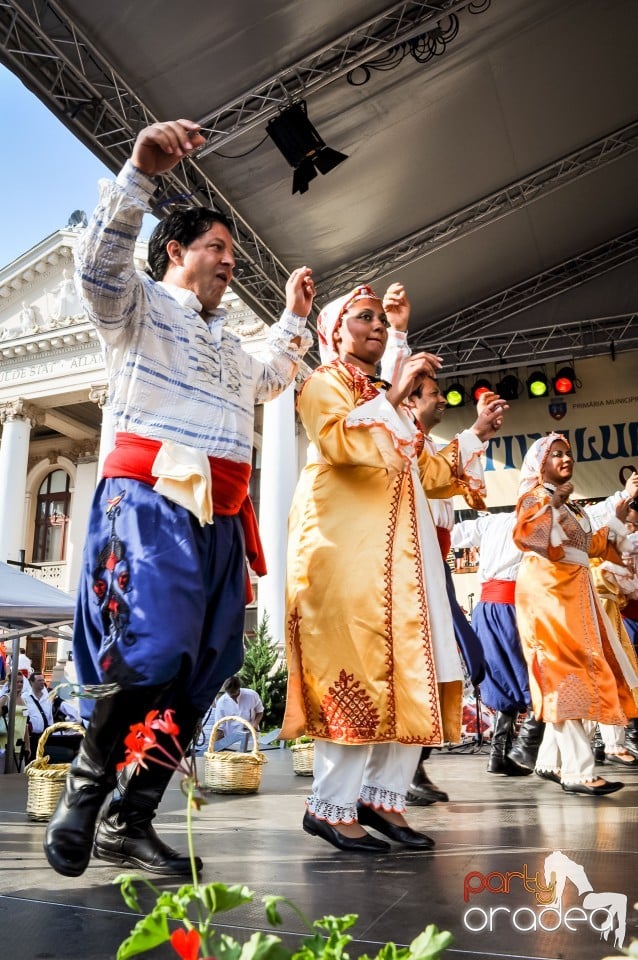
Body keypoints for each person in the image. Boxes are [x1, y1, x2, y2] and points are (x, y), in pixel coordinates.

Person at [44, 118, 315, 879]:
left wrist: (294, 317)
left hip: (223, 517)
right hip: (151, 500)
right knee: (154, 650)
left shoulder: (231, 343)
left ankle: (130, 818)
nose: (230, 262)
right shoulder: (137, 309)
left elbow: (269, 380)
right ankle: (86, 788)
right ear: (176, 251)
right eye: (216, 249)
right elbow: (97, 271)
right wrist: (138, 173)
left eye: (232, 253)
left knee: (206, 669)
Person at [281, 282, 502, 853]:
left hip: (406, 557)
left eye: (382, 320)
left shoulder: (386, 394)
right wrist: (396, 394)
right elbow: (338, 442)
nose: (376, 326)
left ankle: (385, 798)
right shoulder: (321, 382)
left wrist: (474, 435)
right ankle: (328, 806)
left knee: (415, 669)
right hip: (345, 551)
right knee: (353, 668)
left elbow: (429, 472)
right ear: (334, 331)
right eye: (364, 317)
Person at [513, 433, 638, 795]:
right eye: (556, 455)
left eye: (568, 453)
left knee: (575, 675)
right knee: (565, 675)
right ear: (541, 464)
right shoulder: (536, 497)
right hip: (548, 595)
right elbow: (528, 536)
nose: (566, 459)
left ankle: (550, 762)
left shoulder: (573, 507)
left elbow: (592, 544)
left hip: (574, 594)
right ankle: (579, 772)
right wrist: (551, 501)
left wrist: (619, 514)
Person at [401, 375, 506, 801]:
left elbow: (450, 479)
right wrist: (477, 430)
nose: (444, 399)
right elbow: (434, 479)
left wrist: (478, 433)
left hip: (433, 565)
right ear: (410, 400)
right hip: (410, 566)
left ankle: (415, 764)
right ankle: (404, 769)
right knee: (423, 663)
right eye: (434, 394)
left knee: (445, 661)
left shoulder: (425, 446)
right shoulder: (402, 441)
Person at [451, 511, 539, 775]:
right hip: (512, 608)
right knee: (536, 680)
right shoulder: (539, 522)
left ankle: (498, 755)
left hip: (485, 609)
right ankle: (525, 748)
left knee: (502, 680)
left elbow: (453, 534)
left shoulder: (491, 521)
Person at [214, 675, 264, 744]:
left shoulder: (252, 695)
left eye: (234, 693)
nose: (232, 696)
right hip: (231, 741)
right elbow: (219, 727)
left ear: (239, 688)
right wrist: (215, 746)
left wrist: (255, 724)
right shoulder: (221, 702)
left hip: (251, 739)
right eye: (229, 693)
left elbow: (260, 711)